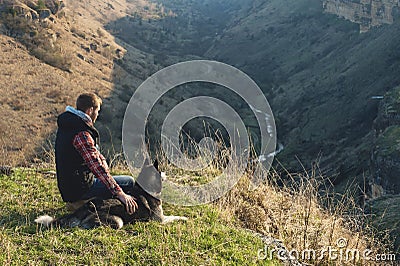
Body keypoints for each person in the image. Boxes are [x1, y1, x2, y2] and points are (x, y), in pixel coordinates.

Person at [55, 92, 138, 214]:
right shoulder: (82, 133)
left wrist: (102, 161)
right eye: (97, 111)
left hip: (69, 187)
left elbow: (95, 155)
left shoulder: (68, 126)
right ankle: (85, 204)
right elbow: (97, 167)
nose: (97, 115)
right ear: (90, 110)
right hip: (80, 189)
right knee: (129, 182)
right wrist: (119, 193)